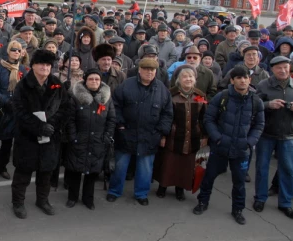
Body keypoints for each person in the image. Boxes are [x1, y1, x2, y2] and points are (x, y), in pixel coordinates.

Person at [194, 66, 265, 225]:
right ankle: (202, 202)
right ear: (232, 80)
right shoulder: (222, 97)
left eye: (245, 77)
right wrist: (217, 138)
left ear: (249, 79)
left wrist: (249, 142)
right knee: (209, 176)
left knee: (239, 182)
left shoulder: (256, 101)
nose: (242, 80)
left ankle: (237, 209)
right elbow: (209, 119)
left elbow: (259, 125)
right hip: (220, 146)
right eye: (238, 78)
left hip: (241, 149)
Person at [11, 49, 71, 219]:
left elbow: (66, 108)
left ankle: (42, 200)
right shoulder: (23, 85)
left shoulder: (57, 84)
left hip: (50, 137)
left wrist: (52, 125)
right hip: (27, 137)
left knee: (46, 173)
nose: (45, 67)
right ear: (33, 66)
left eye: (48, 65)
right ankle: (18, 202)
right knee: (23, 173)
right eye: (41, 64)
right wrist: (38, 126)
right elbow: (19, 111)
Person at [107, 58, 173, 205]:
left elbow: (167, 113)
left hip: (149, 136)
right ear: (139, 70)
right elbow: (115, 106)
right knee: (120, 166)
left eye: (152, 70)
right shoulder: (127, 85)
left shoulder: (162, 89)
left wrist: (160, 131)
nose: (149, 72)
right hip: (126, 133)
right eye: (146, 69)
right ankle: (114, 191)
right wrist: (120, 125)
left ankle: (141, 194)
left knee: (145, 169)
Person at [154, 65, 208, 201]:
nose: (188, 79)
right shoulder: (170, 95)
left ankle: (180, 189)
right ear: (178, 79)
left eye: (190, 76)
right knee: (168, 163)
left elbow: (204, 118)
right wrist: (163, 135)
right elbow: (164, 116)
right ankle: (163, 187)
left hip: (193, 137)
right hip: (173, 135)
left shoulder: (200, 96)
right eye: (184, 76)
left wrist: (204, 136)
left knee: (186, 166)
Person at [65, 68, 116, 209]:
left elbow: (111, 120)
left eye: (97, 79)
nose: (94, 81)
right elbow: (70, 120)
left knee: (92, 172)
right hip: (79, 139)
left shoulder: (106, 99)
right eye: (91, 79)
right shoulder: (76, 98)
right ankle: (72, 197)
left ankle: (88, 199)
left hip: (98, 141)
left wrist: (106, 137)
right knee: (76, 170)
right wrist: (74, 137)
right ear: (85, 81)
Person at [254, 56, 293, 218]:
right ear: (272, 70)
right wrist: (268, 105)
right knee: (262, 168)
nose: (283, 70)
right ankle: (260, 198)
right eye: (279, 68)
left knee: (288, 170)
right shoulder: (263, 85)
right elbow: (254, 105)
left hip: (288, 135)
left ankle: (285, 203)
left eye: (285, 67)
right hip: (266, 134)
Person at [0, 40, 27, 180]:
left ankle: (2, 167)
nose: (16, 52)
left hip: (13, 113)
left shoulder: (21, 69)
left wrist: (17, 104)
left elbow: (24, 90)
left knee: (7, 144)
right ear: (8, 51)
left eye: (18, 50)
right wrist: (7, 102)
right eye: (13, 50)